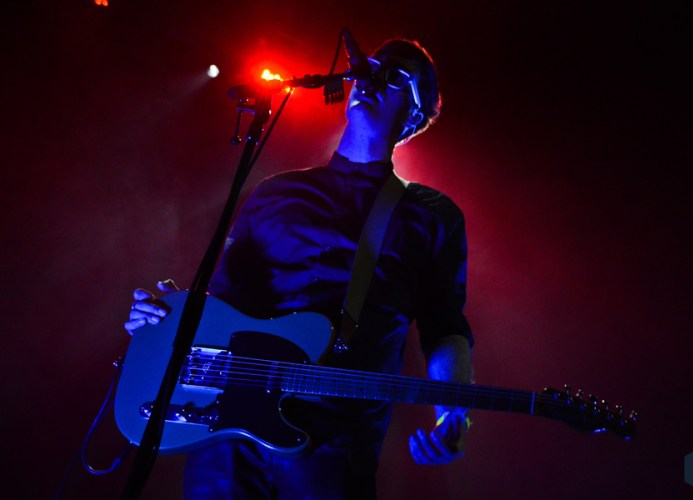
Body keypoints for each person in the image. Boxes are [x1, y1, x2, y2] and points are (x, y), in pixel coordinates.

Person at [125, 34, 474, 499]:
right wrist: (166, 316)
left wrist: (453, 413)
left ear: (413, 114)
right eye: (369, 68)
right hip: (228, 432)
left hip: (335, 441)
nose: (368, 80)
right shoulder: (274, 192)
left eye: (393, 77)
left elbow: (445, 328)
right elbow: (223, 302)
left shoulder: (433, 216)